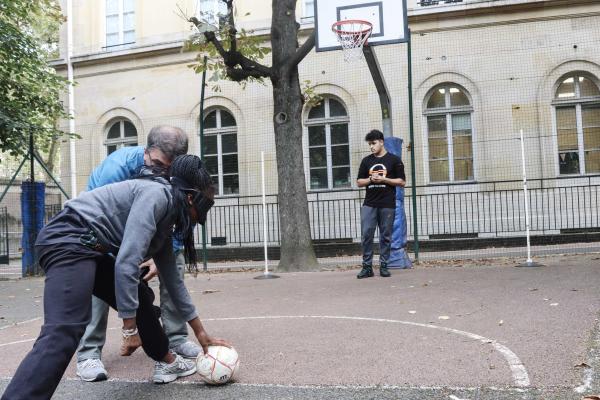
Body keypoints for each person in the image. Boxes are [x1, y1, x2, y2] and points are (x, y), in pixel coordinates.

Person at [0, 155, 229, 400]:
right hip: (67, 239)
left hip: (87, 246)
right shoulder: (157, 196)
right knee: (66, 329)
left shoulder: (166, 219)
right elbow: (126, 264)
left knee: (140, 295)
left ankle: (166, 359)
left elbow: (173, 282)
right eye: (205, 207)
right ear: (191, 196)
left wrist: (200, 332)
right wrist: (129, 330)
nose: (201, 217)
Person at [76, 125, 202, 382]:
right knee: (103, 276)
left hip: (148, 232)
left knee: (173, 267)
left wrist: (162, 252)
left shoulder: (175, 174)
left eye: (169, 169)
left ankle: (176, 339)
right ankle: (89, 352)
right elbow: (101, 225)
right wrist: (130, 256)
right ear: (146, 152)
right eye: (157, 163)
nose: (162, 172)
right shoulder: (117, 168)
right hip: (103, 235)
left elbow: (175, 216)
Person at [356, 129, 406, 279]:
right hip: (369, 204)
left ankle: (384, 266)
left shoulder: (394, 160)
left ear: (382, 142)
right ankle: (367, 267)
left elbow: (402, 181)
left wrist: (384, 180)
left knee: (385, 236)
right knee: (366, 235)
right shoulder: (366, 161)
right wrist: (371, 179)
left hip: (387, 204)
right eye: (369, 144)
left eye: (374, 143)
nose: (371, 147)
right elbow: (359, 182)